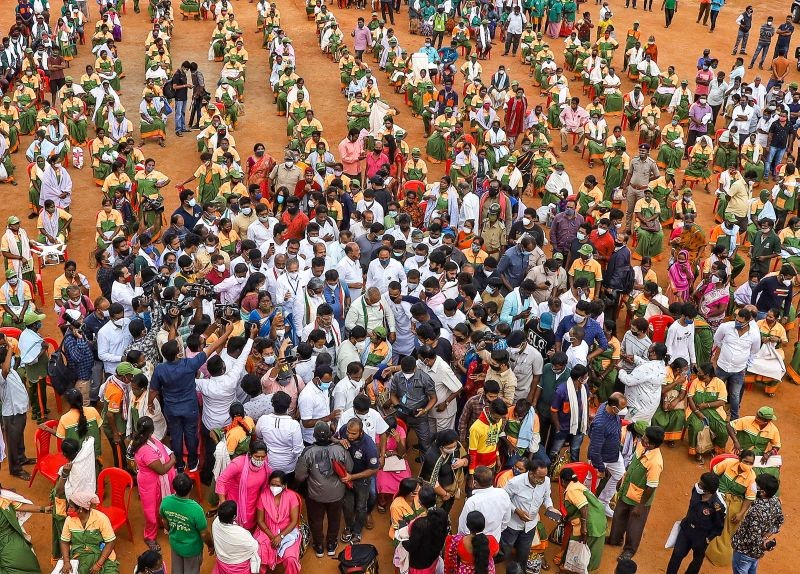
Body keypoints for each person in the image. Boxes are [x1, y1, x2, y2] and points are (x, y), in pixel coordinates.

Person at [295, 421, 352, 557]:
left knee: (315, 520)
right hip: (336, 494)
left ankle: (319, 546)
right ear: (330, 435)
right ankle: (331, 544)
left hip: (315, 495)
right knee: (334, 519)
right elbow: (349, 469)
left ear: (314, 436)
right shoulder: (340, 450)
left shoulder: (308, 452)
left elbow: (299, 476)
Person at [608, 425, 665, 562]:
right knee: (619, 514)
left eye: (645, 437)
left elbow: (651, 487)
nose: (642, 438)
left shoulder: (656, 462)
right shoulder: (641, 446)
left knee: (635, 525)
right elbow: (631, 464)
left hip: (640, 498)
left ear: (652, 444)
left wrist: (640, 505)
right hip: (626, 489)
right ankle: (615, 539)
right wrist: (622, 480)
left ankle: (629, 550)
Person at [130, 416, 177, 552]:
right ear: (151, 429)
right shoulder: (145, 449)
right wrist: (173, 459)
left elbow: (162, 450)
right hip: (151, 483)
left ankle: (160, 521)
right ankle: (149, 537)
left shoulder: (150, 439)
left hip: (158, 482)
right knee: (151, 509)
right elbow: (161, 470)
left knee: (159, 504)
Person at [500, 458, 556, 569]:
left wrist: (550, 507)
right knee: (505, 549)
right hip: (513, 524)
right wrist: (516, 510)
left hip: (530, 525)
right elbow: (504, 499)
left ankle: (521, 569)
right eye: (540, 477)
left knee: (524, 552)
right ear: (530, 473)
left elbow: (546, 497)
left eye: (544, 476)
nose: (542, 480)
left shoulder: (546, 481)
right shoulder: (515, 483)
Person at [665, 472, 726, 574]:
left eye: (701, 484)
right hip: (686, 529)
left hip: (701, 537)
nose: (698, 484)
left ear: (708, 490)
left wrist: (707, 539)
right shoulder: (696, 491)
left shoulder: (717, 507)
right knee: (677, 555)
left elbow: (719, 527)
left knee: (696, 561)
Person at [705, 450, 758, 566]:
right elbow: (712, 475)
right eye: (745, 461)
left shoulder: (752, 478)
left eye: (751, 463)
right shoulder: (728, 462)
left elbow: (749, 498)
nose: (748, 465)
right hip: (718, 494)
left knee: (730, 524)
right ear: (740, 459)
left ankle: (717, 553)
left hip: (735, 501)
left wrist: (741, 513)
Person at [337, 417, 380, 544]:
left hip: (361, 480)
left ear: (361, 432)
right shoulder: (345, 429)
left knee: (361, 506)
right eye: (348, 433)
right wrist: (339, 441)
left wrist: (352, 477)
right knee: (347, 505)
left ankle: (357, 531)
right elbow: (333, 437)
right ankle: (349, 528)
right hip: (345, 477)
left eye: (353, 433)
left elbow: (374, 470)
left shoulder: (369, 446)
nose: (349, 435)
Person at [713, 307, 760, 421]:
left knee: (735, 395)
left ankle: (734, 419)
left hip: (739, 370)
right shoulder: (726, 327)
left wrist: (744, 364)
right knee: (715, 391)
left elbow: (754, 351)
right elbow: (717, 340)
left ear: (748, 321)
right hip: (722, 366)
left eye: (741, 322)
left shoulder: (754, 334)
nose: (737, 323)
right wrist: (723, 353)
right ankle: (712, 413)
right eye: (736, 320)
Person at [160, 473, 213, 574]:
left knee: (176, 571)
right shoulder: (196, 509)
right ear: (191, 487)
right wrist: (210, 545)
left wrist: (172, 529)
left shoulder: (165, 502)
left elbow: (165, 522)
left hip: (175, 544)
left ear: (174, 487)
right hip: (192, 549)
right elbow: (204, 534)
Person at [730, 474, 783, 573]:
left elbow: (753, 536)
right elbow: (779, 521)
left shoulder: (756, 511)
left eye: (756, 485)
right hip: (757, 553)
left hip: (744, 551)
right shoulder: (776, 501)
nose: (754, 485)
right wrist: (767, 536)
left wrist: (762, 543)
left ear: (762, 492)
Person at [215, 440, 271, 532]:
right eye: (257, 457)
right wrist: (223, 502)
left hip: (253, 503)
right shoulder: (238, 464)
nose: (260, 460)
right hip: (236, 502)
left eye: (263, 457)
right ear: (250, 454)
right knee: (235, 529)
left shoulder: (265, 464)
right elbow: (221, 481)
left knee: (250, 527)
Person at [558, 467, 606, 572]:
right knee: (591, 548)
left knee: (581, 546)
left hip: (590, 521)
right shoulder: (577, 484)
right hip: (599, 518)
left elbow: (584, 507)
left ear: (562, 480)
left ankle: (576, 569)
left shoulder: (571, 490)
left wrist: (584, 528)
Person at [253, 470, 302, 574]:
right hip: (266, 532)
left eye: (278, 485)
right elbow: (260, 520)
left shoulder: (292, 497)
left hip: (287, 532)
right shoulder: (263, 496)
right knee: (257, 555)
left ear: (284, 486)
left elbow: (294, 522)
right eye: (272, 484)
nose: (274, 487)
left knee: (291, 559)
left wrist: (280, 536)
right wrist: (272, 536)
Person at [60, 491, 120, 574]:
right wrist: (66, 562)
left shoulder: (101, 518)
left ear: (80, 509)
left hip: (102, 554)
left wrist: (99, 564)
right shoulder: (69, 520)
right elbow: (64, 542)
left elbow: (110, 542)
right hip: (79, 554)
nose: (68, 510)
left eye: (70, 507)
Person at [589, 393, 628, 517]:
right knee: (590, 484)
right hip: (600, 458)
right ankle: (584, 508)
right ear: (613, 407)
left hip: (614, 454)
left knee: (620, 474)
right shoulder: (600, 424)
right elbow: (595, 449)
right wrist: (600, 468)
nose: (624, 410)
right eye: (621, 407)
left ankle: (602, 502)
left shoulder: (606, 405)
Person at [418, 429, 469, 512]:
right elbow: (432, 482)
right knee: (438, 512)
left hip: (452, 489)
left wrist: (463, 462)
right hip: (440, 495)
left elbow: (466, 457)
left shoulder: (457, 445)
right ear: (441, 446)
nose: (453, 449)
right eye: (449, 448)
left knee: (447, 509)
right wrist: (445, 494)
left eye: (454, 446)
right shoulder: (433, 457)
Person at [457, 465, 512, 540]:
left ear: (475, 482)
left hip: (475, 544)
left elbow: (463, 530)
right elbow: (506, 521)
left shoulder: (472, 502)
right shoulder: (503, 493)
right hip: (494, 540)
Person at [617, 342, 667, 423]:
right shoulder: (661, 364)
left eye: (649, 350)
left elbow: (628, 380)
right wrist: (635, 359)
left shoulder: (647, 367)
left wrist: (620, 370)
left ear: (654, 353)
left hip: (639, 408)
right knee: (643, 429)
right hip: (649, 406)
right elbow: (648, 367)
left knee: (630, 429)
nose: (648, 351)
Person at [548, 363, 589, 463]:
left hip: (579, 426)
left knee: (575, 450)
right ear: (580, 378)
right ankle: (549, 473)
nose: (587, 378)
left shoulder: (584, 388)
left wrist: (586, 421)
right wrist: (558, 427)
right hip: (563, 427)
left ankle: (574, 473)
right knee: (555, 451)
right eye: (586, 376)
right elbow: (553, 410)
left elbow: (586, 405)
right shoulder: (561, 390)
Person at [211, 500, 261, 574]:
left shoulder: (215, 523)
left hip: (222, 563)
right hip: (238, 568)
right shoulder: (241, 533)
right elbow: (254, 547)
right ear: (234, 517)